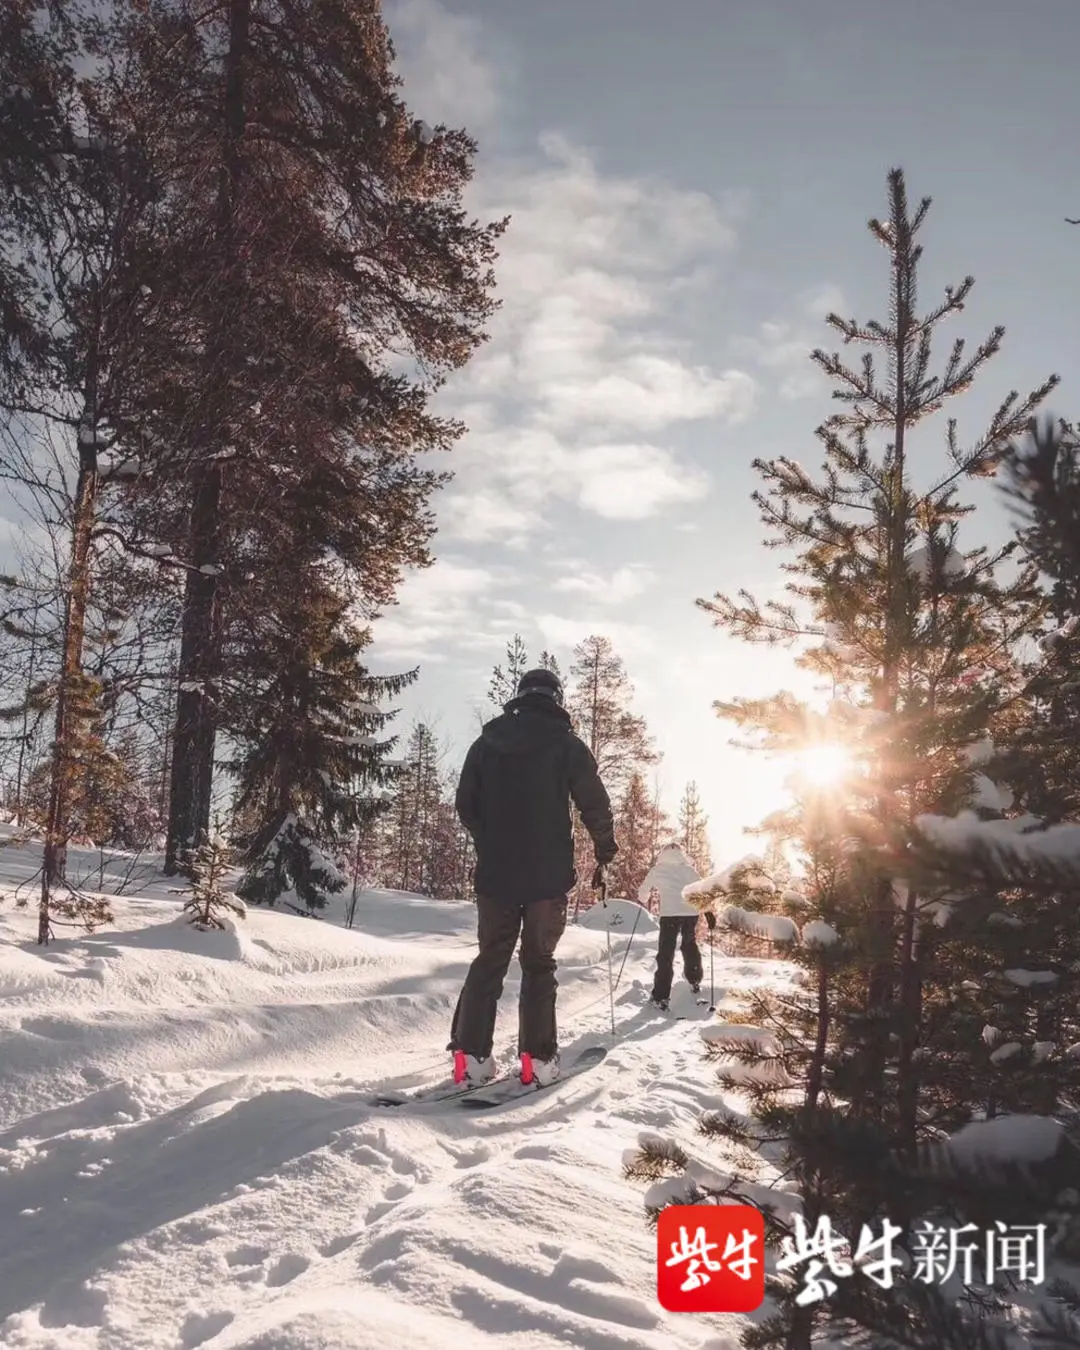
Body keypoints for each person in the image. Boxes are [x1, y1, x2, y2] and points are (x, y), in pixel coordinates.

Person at [450, 667, 618, 1088]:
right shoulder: (566, 745)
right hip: (547, 878)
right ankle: (537, 1061)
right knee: (538, 964)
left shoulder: (486, 743)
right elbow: (594, 801)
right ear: (556, 698)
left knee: (490, 960)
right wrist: (605, 850)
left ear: (520, 696)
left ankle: (469, 1059)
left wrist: (489, 839)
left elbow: (465, 803)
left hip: (495, 876)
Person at [638, 842, 716, 1010]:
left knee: (666, 952)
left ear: (662, 854)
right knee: (689, 944)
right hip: (690, 913)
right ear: (681, 854)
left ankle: (661, 996)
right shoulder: (689, 870)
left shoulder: (658, 870)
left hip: (670, 915)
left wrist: (644, 897)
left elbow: (643, 894)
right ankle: (694, 979)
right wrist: (708, 911)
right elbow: (701, 891)